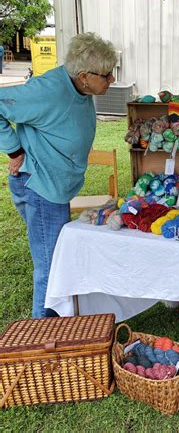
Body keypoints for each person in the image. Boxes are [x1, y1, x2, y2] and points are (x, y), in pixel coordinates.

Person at [0, 32, 117, 318]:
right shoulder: (49, 89)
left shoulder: (79, 88)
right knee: (51, 268)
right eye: (107, 75)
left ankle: (58, 330)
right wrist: (14, 151)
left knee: (57, 262)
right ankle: (44, 343)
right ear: (84, 75)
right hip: (40, 187)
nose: (112, 79)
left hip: (55, 188)